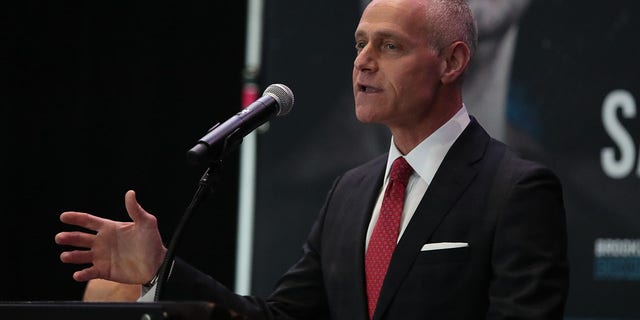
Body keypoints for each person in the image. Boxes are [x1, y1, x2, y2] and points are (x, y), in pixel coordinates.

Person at [56, 0, 569, 318]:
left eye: (389, 46)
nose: (363, 62)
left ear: (452, 62)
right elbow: (281, 316)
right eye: (360, 43)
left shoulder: (516, 191)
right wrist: (160, 269)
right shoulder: (350, 191)